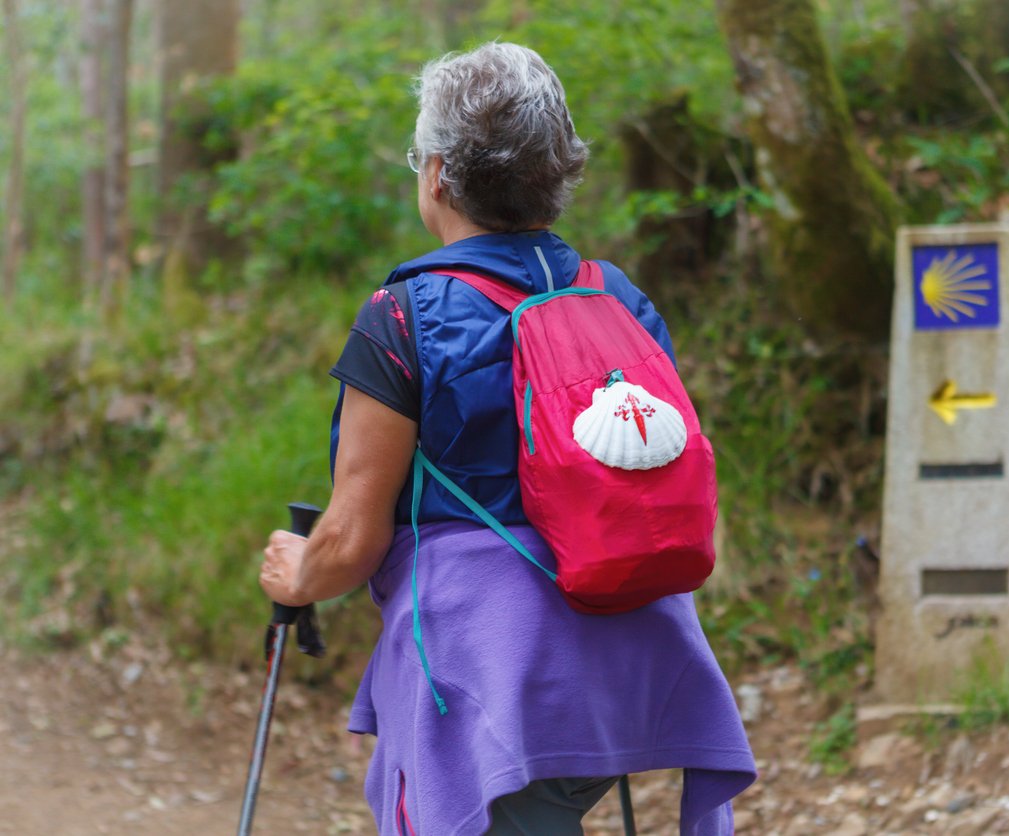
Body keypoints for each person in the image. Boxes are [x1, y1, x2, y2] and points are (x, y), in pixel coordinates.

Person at [259, 42, 755, 835]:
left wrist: (295, 573)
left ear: (438, 174)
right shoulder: (618, 297)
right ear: (557, 171)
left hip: (497, 667)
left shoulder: (403, 316)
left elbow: (351, 539)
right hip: (645, 649)